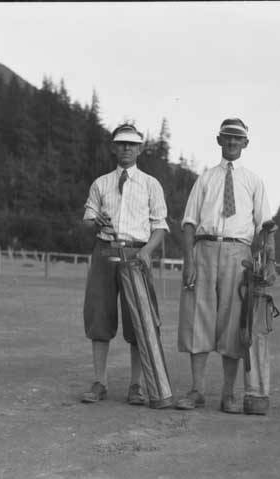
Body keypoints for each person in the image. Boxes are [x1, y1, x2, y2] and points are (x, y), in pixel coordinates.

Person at [176, 118, 275, 413]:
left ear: (246, 143)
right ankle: (196, 390)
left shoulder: (254, 181)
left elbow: (266, 225)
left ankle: (229, 394)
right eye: (227, 138)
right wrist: (189, 260)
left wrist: (269, 261)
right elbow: (189, 223)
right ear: (219, 141)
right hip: (204, 248)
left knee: (235, 322)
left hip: (238, 252)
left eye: (237, 138)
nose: (232, 143)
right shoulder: (205, 179)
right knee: (197, 317)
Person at [80, 123, 169, 405]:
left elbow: (160, 226)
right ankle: (99, 382)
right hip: (105, 252)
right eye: (121, 144)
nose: (126, 149)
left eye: (132, 144)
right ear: (113, 147)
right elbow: (87, 219)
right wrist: (96, 222)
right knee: (99, 316)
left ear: (140, 148)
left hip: (136, 255)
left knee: (138, 320)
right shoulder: (101, 183)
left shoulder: (150, 184)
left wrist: (146, 252)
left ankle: (136, 385)